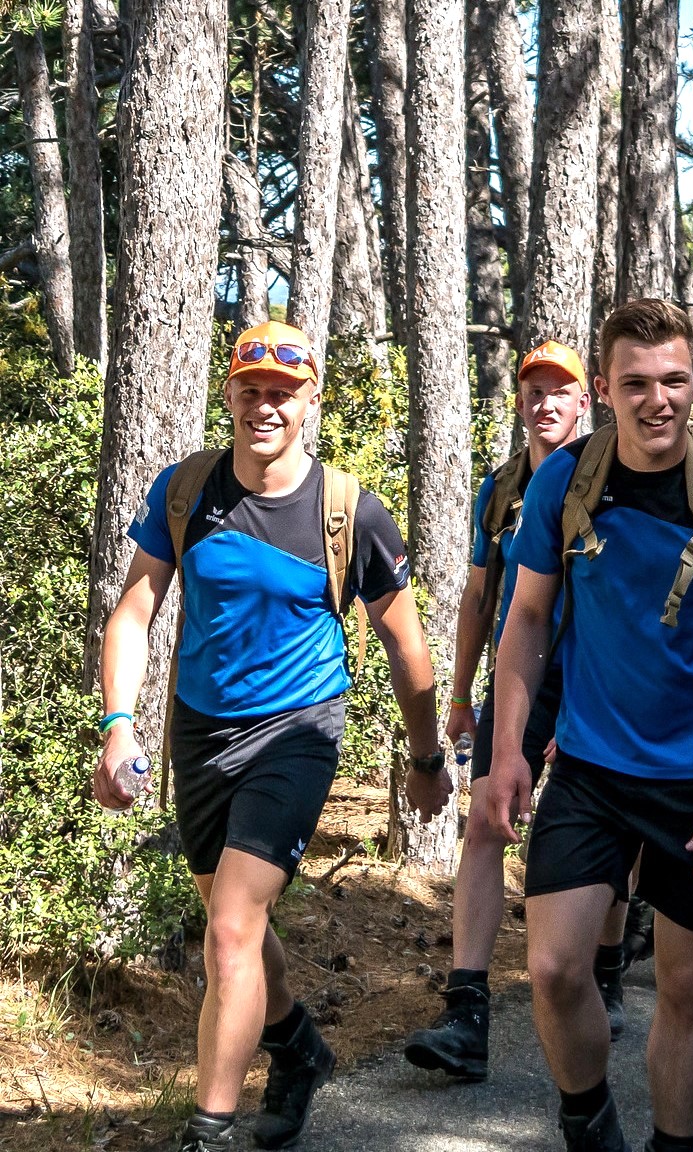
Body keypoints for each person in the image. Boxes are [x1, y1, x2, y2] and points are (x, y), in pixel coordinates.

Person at [97, 321, 452, 1152]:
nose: (266, 406)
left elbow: (408, 646)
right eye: (251, 390)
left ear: (309, 401)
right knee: (239, 931)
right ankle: (299, 1050)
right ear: (228, 394)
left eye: (283, 394)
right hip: (200, 734)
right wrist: (118, 726)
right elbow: (136, 610)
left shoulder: (351, 513)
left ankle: (208, 1132)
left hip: (297, 731)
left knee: (228, 932)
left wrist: (426, 758)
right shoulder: (186, 491)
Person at [488, 298, 693, 1152]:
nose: (655, 400)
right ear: (603, 389)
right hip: (589, 768)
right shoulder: (565, 479)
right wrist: (507, 751)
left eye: (673, 381)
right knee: (554, 970)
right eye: (635, 383)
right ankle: (589, 1124)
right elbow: (524, 623)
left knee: (684, 987)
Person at [402, 341, 609, 1082]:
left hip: (601, 682)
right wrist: (460, 696)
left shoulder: (614, 475)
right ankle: (467, 1012)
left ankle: (606, 964)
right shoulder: (500, 490)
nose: (545, 402)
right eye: (534, 391)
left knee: (609, 826)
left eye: (562, 391)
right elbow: (477, 598)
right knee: (486, 824)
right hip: (521, 681)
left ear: (587, 402)